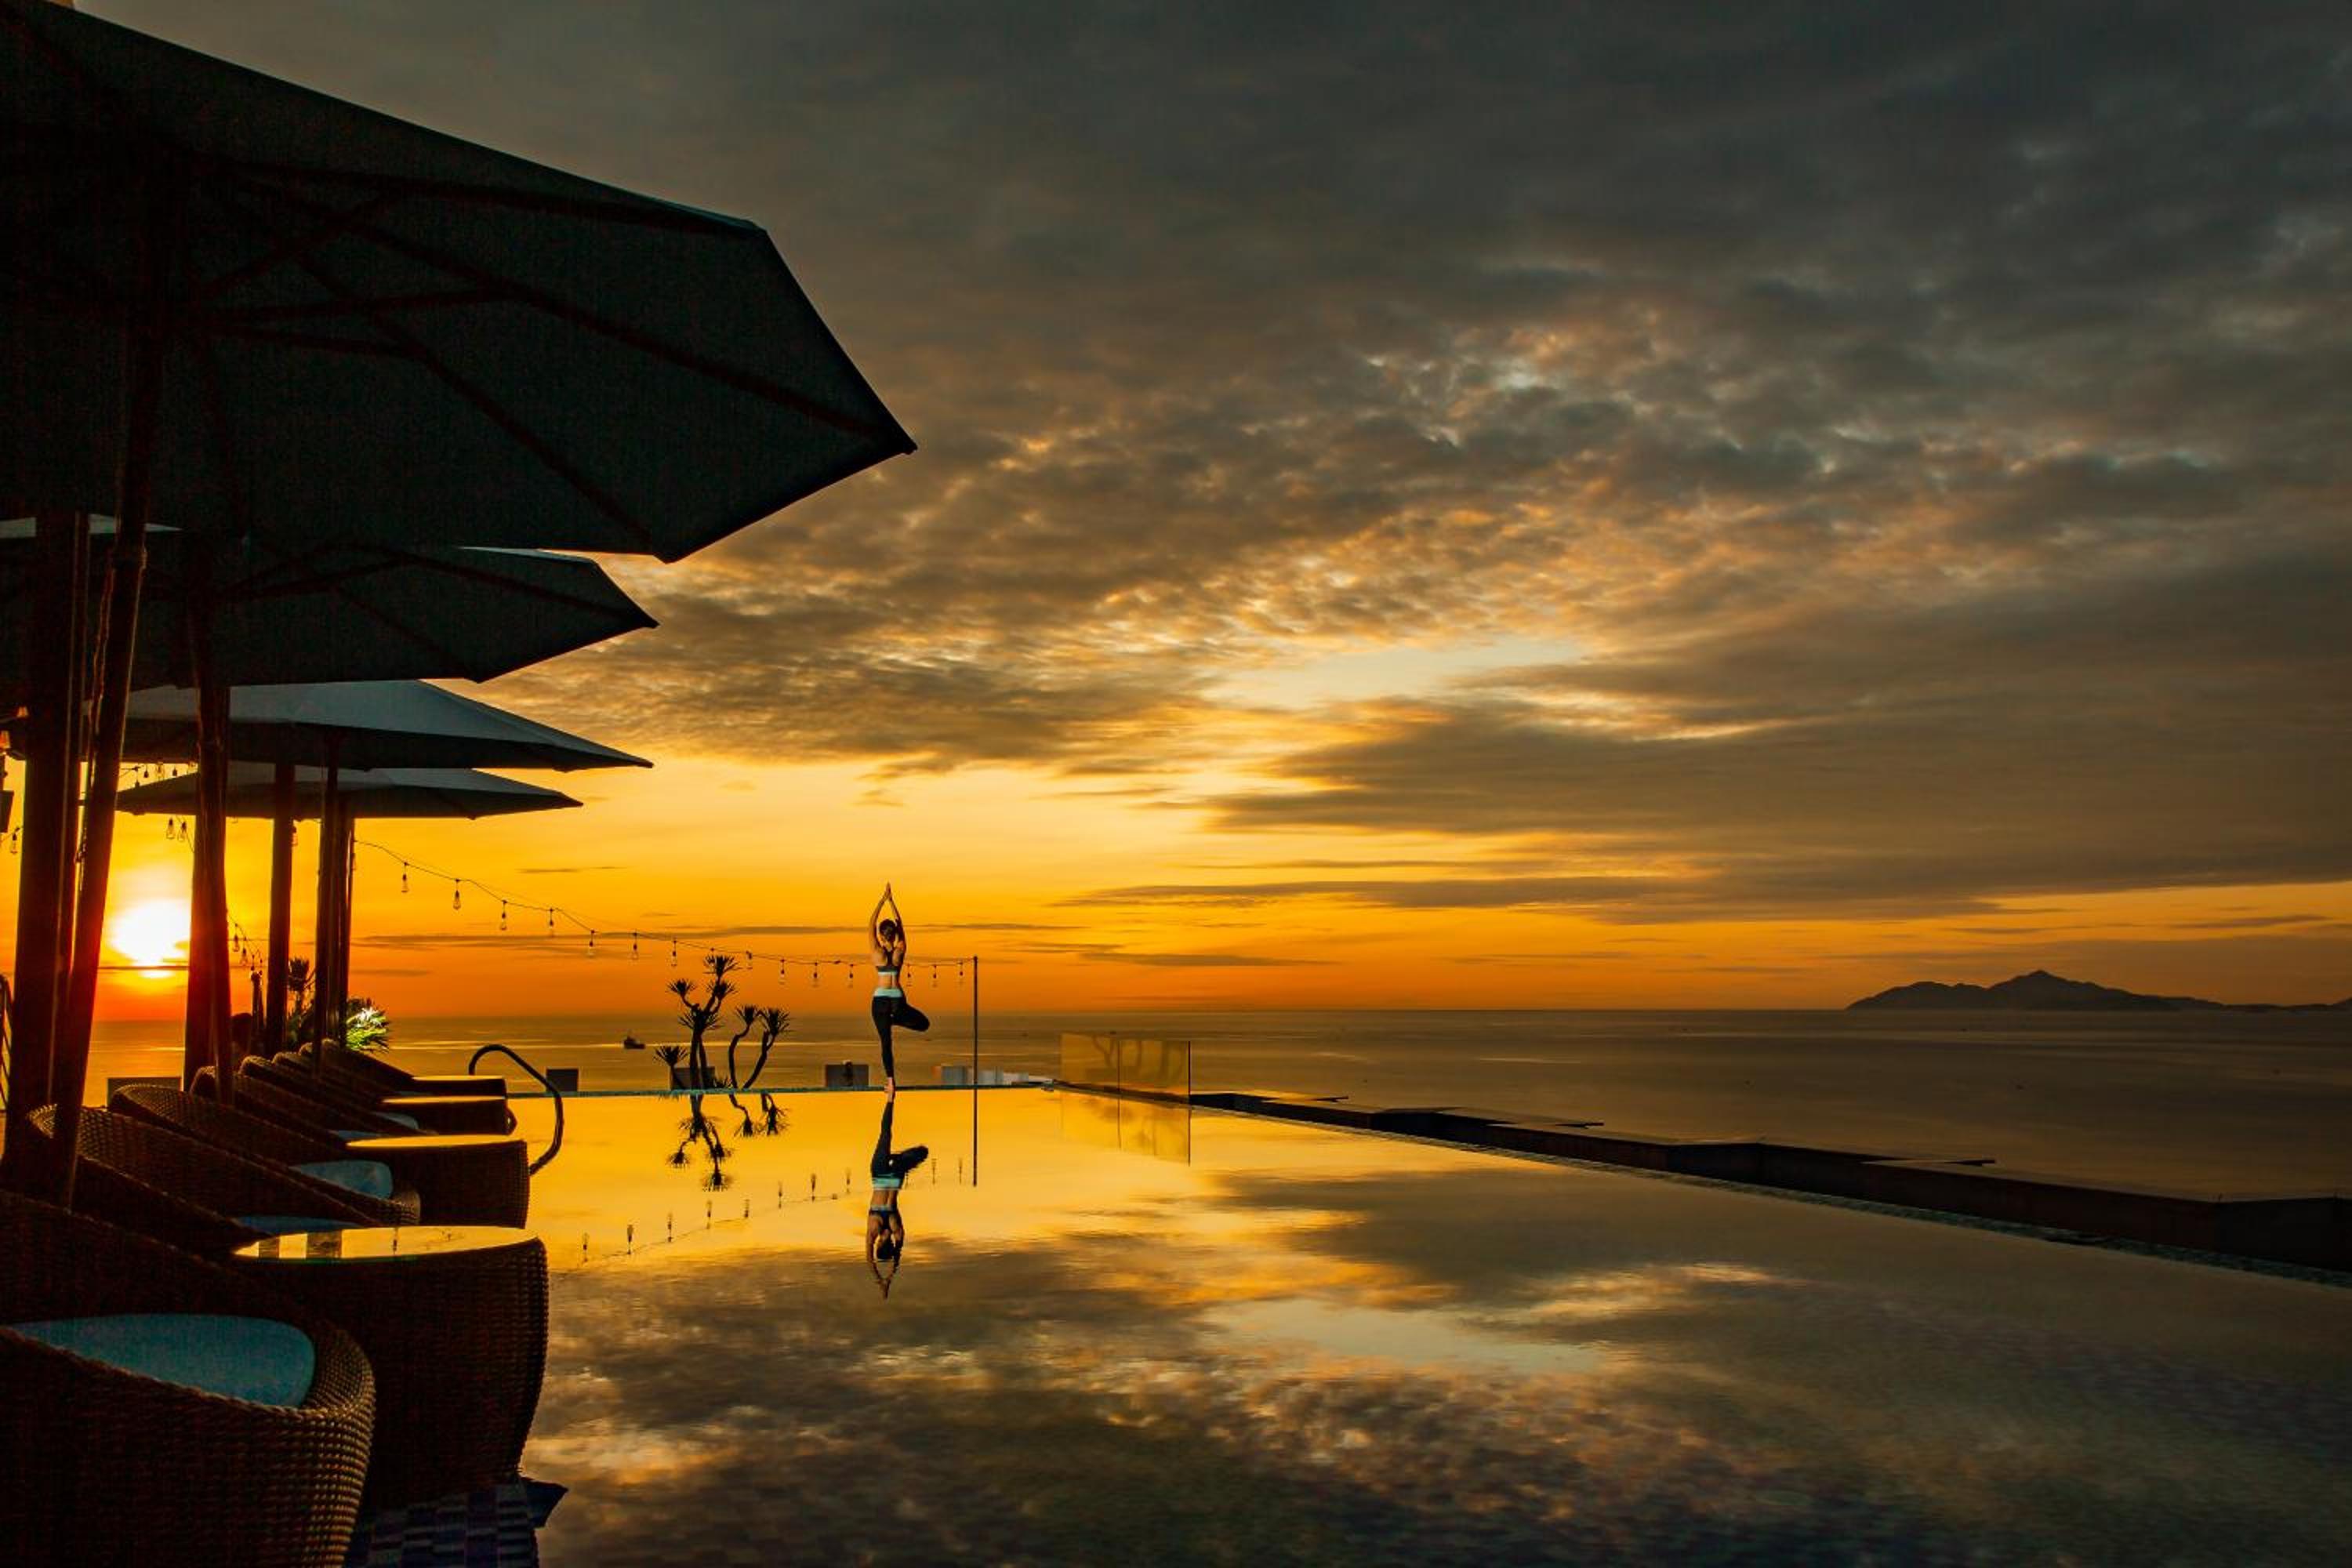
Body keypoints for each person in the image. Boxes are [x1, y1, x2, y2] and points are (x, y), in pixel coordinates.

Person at [864, 1083, 928, 1298]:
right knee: (887, 1135)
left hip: (891, 1177)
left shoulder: (891, 1230)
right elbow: (871, 1260)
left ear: (888, 1243)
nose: (885, 1238)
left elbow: (893, 1257)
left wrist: (888, 1278)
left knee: (892, 1140)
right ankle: (890, 1098)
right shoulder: (878, 1230)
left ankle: (891, 1098)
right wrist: (882, 1281)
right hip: (883, 1175)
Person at [868, 883, 929, 1089]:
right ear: (894, 935)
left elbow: (871, 924)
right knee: (924, 1024)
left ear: (881, 935)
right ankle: (895, 1021)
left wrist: (882, 901)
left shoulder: (877, 952)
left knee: (886, 1043)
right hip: (897, 1000)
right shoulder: (900, 950)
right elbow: (900, 925)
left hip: (880, 1001)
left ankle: (890, 1082)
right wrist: (892, 902)